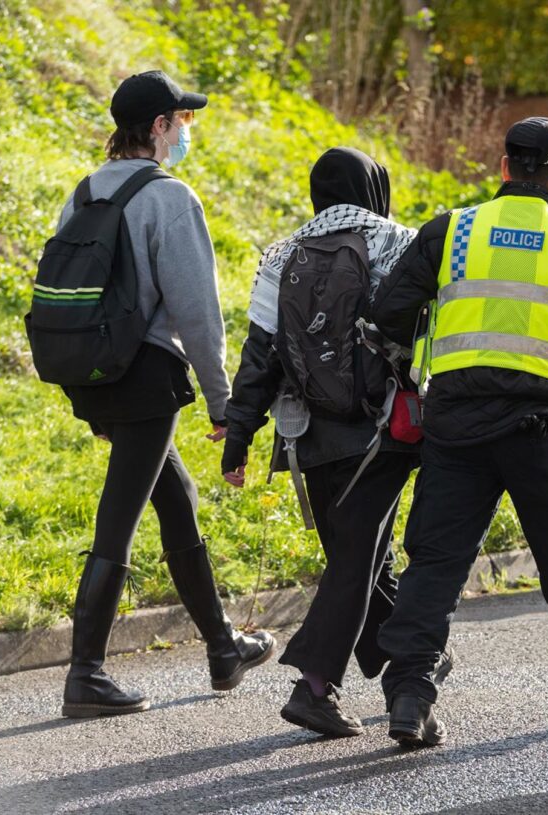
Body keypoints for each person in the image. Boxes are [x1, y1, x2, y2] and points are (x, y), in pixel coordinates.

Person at [370, 117, 548, 747]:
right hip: (539, 427)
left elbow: (389, 310)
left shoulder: (451, 230)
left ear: (504, 168)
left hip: (455, 423)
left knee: (437, 561)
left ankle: (410, 692)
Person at [56, 70, 274, 718]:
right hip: (147, 376)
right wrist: (223, 402)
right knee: (119, 516)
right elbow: (197, 314)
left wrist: (85, 390)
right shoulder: (169, 197)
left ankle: (223, 646)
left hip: (94, 371)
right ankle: (85, 674)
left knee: (176, 499)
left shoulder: (85, 190)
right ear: (158, 126)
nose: (184, 132)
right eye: (181, 121)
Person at [221, 147, 429, 738]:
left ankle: (410, 677)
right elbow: (423, 332)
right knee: (357, 561)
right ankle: (315, 686)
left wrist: (239, 437)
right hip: (381, 431)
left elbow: (260, 353)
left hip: (307, 432)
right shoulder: (398, 243)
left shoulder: (282, 253)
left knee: (360, 559)